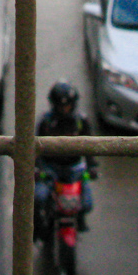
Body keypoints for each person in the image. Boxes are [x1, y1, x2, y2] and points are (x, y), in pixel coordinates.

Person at [35, 80, 96, 232]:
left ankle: (80, 218)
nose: (65, 109)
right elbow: (35, 148)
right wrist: (37, 169)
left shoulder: (81, 121)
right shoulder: (45, 122)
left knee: (87, 203)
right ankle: (37, 228)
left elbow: (89, 147)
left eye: (67, 105)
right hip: (50, 169)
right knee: (39, 198)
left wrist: (92, 166)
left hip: (74, 169)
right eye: (61, 106)